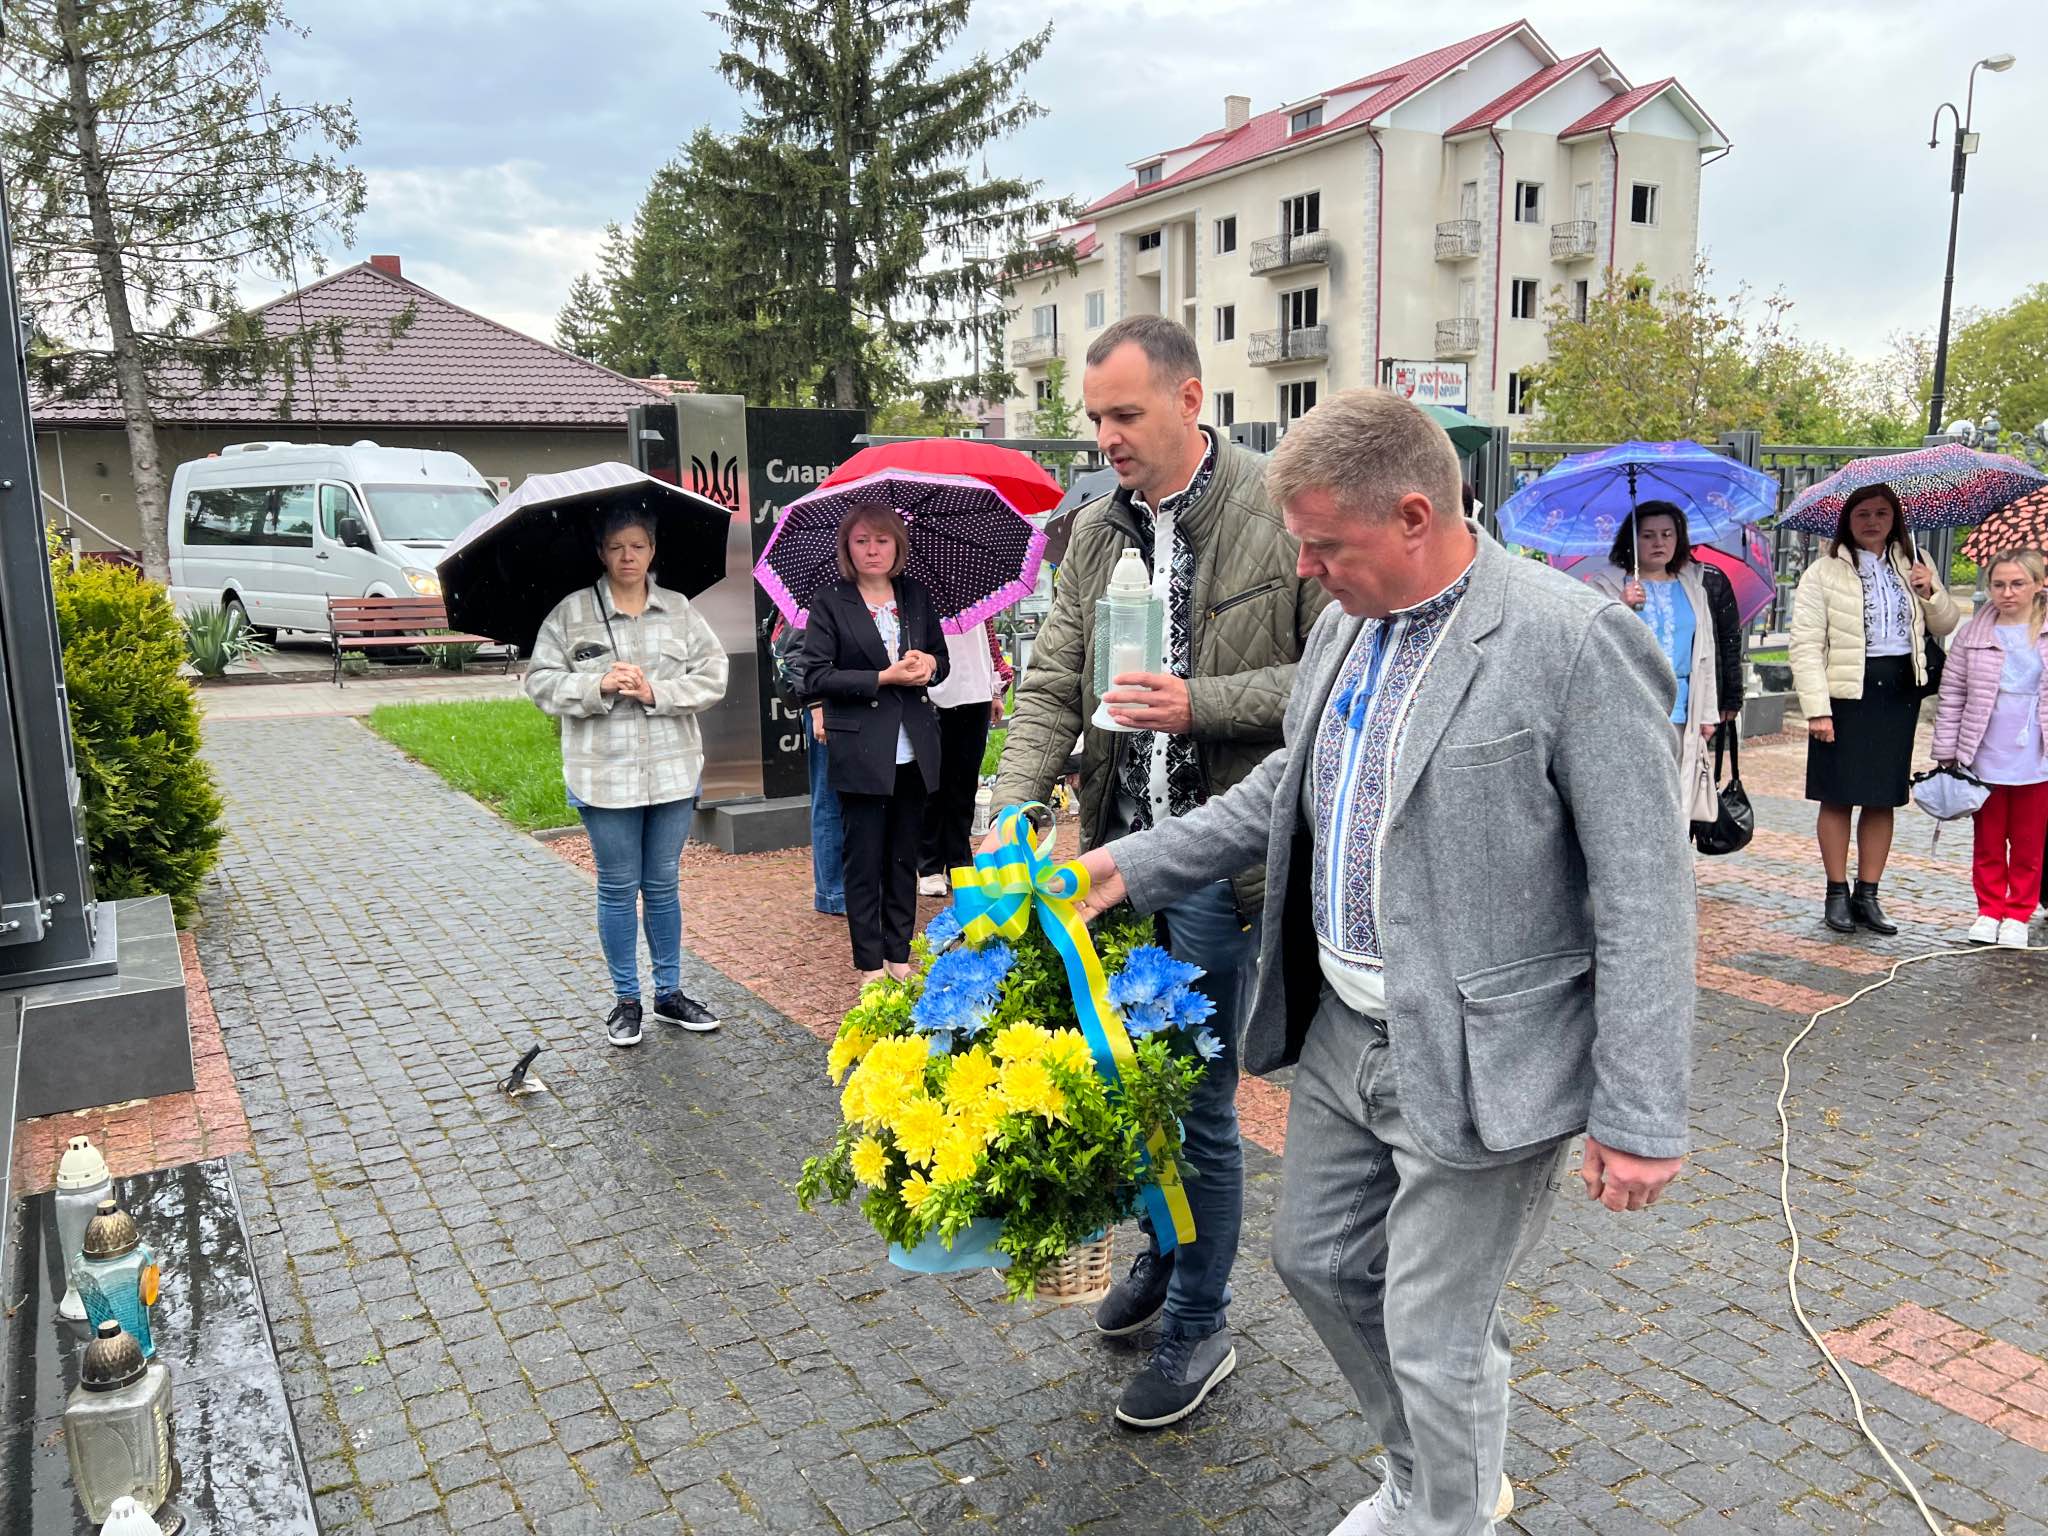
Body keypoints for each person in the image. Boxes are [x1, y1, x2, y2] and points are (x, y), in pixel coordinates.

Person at [1073, 388, 1695, 1536]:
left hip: (1481, 1053)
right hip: (1343, 1031)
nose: (1303, 569)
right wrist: (1125, 865)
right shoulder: (1345, 627)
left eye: (1323, 545)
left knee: (1433, 1327)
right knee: (1315, 1261)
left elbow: (1645, 891)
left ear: (1414, 515)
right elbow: (1285, 788)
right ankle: (1436, 1471)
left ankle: (1440, 1509)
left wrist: (1639, 1110)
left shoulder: (1571, 642)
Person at [989, 314, 1328, 1429]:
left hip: (1221, 872)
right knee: (1127, 1082)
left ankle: (1199, 1319)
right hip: (1113, 866)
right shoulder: (1094, 530)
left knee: (1198, 1106)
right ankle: (1163, 1248)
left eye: (1124, 414)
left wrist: (1201, 703)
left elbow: (1336, 679)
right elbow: (1051, 682)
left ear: (1190, 399)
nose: (1105, 437)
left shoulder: (1279, 508)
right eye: (1095, 418)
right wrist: (1011, 806)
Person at [527, 510, 729, 1047]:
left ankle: (669, 993)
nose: (628, 556)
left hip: (672, 771)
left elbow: (714, 676)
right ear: (601, 551)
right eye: (616, 546)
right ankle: (626, 1000)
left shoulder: (680, 610)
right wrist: (597, 684)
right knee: (618, 887)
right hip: (603, 776)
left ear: (653, 549)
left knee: (662, 884)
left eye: (637, 545)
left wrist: (656, 692)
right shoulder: (571, 614)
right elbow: (540, 683)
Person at [1789, 483, 1960, 935]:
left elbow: (1946, 624)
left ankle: (1868, 894)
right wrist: (1817, 709)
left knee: (1883, 796)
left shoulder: (1914, 562)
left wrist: (1930, 590)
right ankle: (1836, 892)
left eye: (1881, 513)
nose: (1872, 521)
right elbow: (1805, 644)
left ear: (1894, 519)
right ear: (1848, 520)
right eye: (1862, 513)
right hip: (1845, 693)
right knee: (1837, 794)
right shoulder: (1822, 573)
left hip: (1897, 692)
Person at [800, 505, 949, 984]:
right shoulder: (830, 601)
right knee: (863, 860)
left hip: (914, 747)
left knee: (903, 858)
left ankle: (898, 957)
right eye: (862, 540)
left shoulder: (915, 595)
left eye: (882, 540)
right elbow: (815, 676)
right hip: (860, 747)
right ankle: (869, 964)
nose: (872, 550)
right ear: (847, 547)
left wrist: (928, 665)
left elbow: (941, 660)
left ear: (897, 545)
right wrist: (883, 677)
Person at [1586, 502, 1744, 822]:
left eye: (1667, 534)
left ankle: (1673, 853)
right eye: (1648, 535)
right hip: (1630, 709)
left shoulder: (1693, 586)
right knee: (1632, 793)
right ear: (1632, 540)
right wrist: (1620, 605)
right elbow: (1590, 642)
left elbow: (1704, 653)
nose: (1659, 542)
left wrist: (1708, 713)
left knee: (1677, 796)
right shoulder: (1606, 586)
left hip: (1683, 710)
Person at [1932, 548, 2048, 947]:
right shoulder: (1973, 634)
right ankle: (1989, 909)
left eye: (2017, 584)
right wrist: (1947, 750)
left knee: (2029, 841)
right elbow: (1953, 694)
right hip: (1984, 750)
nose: (2007, 593)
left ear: (2038, 585)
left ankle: (2018, 912)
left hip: (2036, 752)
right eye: (1998, 584)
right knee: (1989, 837)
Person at [917, 621, 1013, 896]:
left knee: (965, 784)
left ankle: (959, 860)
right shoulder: (921, 599)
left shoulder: (976, 598)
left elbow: (989, 640)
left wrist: (995, 690)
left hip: (976, 691)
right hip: (933, 694)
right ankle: (930, 865)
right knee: (932, 784)